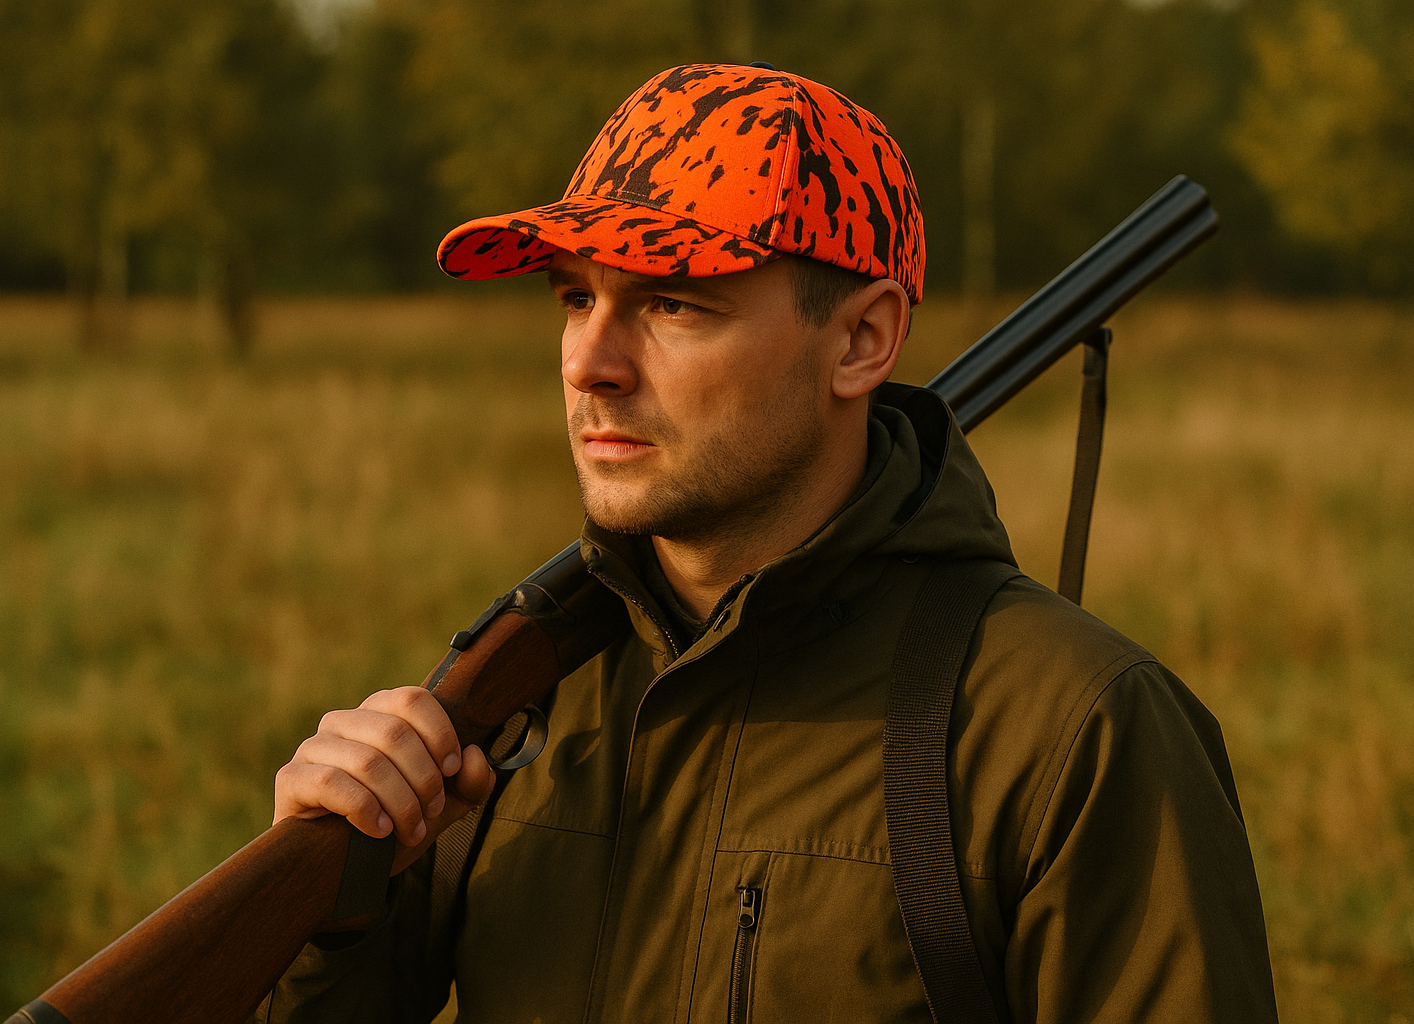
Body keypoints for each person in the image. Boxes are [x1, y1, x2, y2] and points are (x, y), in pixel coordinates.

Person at [257, 64, 1279, 1023]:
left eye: (671, 303)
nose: (590, 363)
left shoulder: (1074, 732)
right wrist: (330, 913)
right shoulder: (524, 705)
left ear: (862, 341)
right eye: (576, 298)